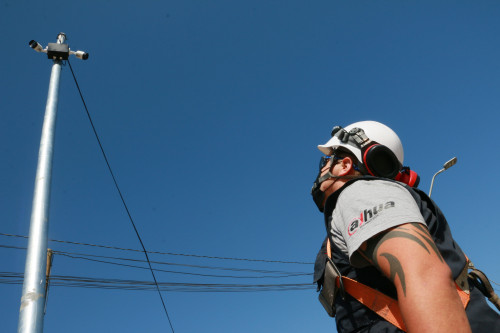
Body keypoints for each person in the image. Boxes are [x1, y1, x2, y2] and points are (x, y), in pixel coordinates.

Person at [311, 121, 500, 333]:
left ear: (345, 165)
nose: (322, 169)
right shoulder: (373, 197)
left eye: (326, 161)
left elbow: (424, 277)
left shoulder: (359, 194)